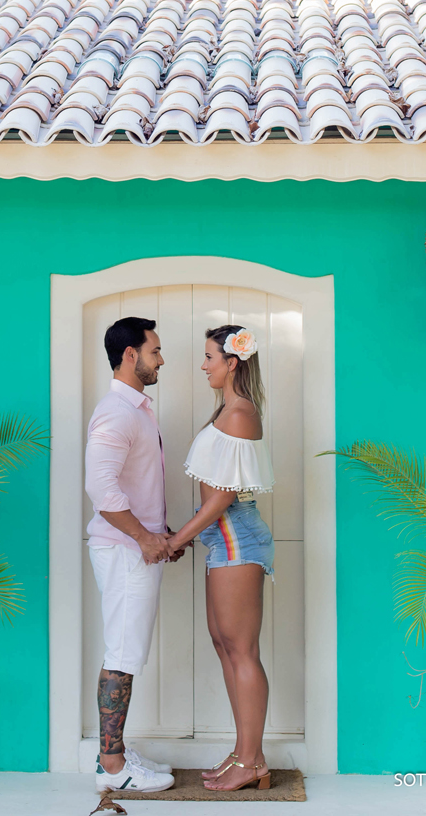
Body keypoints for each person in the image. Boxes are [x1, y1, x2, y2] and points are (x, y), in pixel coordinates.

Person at [165, 325, 275, 793]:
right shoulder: (227, 411)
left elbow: (222, 498)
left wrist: (177, 540)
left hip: (237, 541)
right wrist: (190, 537)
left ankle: (251, 762)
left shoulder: (241, 413)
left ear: (233, 362)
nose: (204, 364)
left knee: (242, 650)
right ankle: (244, 754)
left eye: (210, 356)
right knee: (225, 645)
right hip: (223, 543)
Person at [85, 316, 180, 794]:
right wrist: (144, 539)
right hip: (125, 551)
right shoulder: (116, 412)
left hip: (135, 548)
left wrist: (160, 532)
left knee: (127, 650)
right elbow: (100, 489)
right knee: (122, 654)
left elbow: (135, 485)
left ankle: (115, 753)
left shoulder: (136, 409)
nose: (161, 359)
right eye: (155, 350)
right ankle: (112, 766)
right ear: (130, 355)